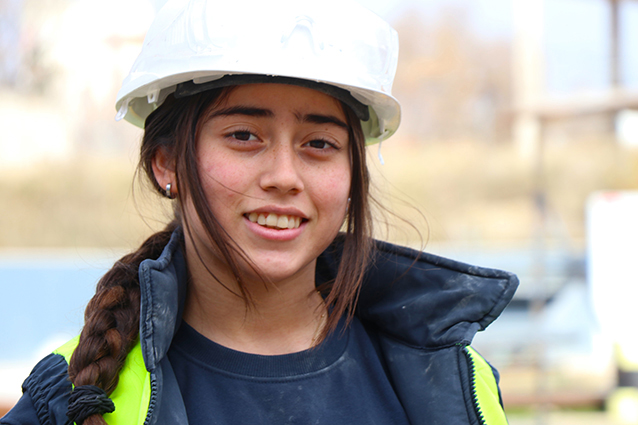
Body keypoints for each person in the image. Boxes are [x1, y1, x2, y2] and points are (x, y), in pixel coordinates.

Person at [1, 0, 518, 424]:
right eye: (244, 136)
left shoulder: (456, 385)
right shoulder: (75, 396)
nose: (284, 176)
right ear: (167, 164)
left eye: (319, 143)